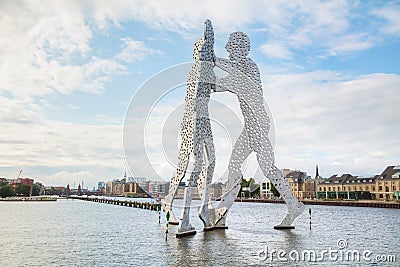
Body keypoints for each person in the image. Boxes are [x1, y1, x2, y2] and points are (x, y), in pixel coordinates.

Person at [212, 32, 304, 228]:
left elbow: (233, 81)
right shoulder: (240, 68)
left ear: (241, 48)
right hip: (252, 126)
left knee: (251, 167)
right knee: (258, 167)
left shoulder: (249, 66)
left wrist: (212, 61)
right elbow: (226, 82)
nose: (228, 48)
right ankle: (293, 205)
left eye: (231, 45)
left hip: (258, 125)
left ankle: (221, 215)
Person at [163, 20, 216, 233]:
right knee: (193, 167)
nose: (204, 53)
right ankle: (184, 219)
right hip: (194, 120)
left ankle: (201, 209)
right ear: (196, 54)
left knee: (210, 163)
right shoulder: (198, 69)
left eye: (206, 50)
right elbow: (198, 96)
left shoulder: (205, 69)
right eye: (201, 50)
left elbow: (215, 87)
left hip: (204, 120)